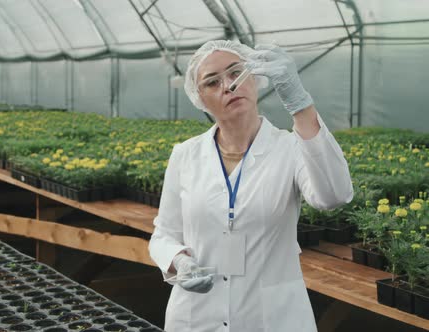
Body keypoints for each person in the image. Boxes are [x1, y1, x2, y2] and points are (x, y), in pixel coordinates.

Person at [148, 40, 353, 332]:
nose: (228, 86)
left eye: (236, 73)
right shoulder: (185, 155)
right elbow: (164, 235)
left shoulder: (290, 148)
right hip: (197, 317)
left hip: (273, 318)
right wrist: (178, 262)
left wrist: (299, 103)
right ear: (200, 99)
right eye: (212, 82)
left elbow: (334, 195)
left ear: (255, 79)